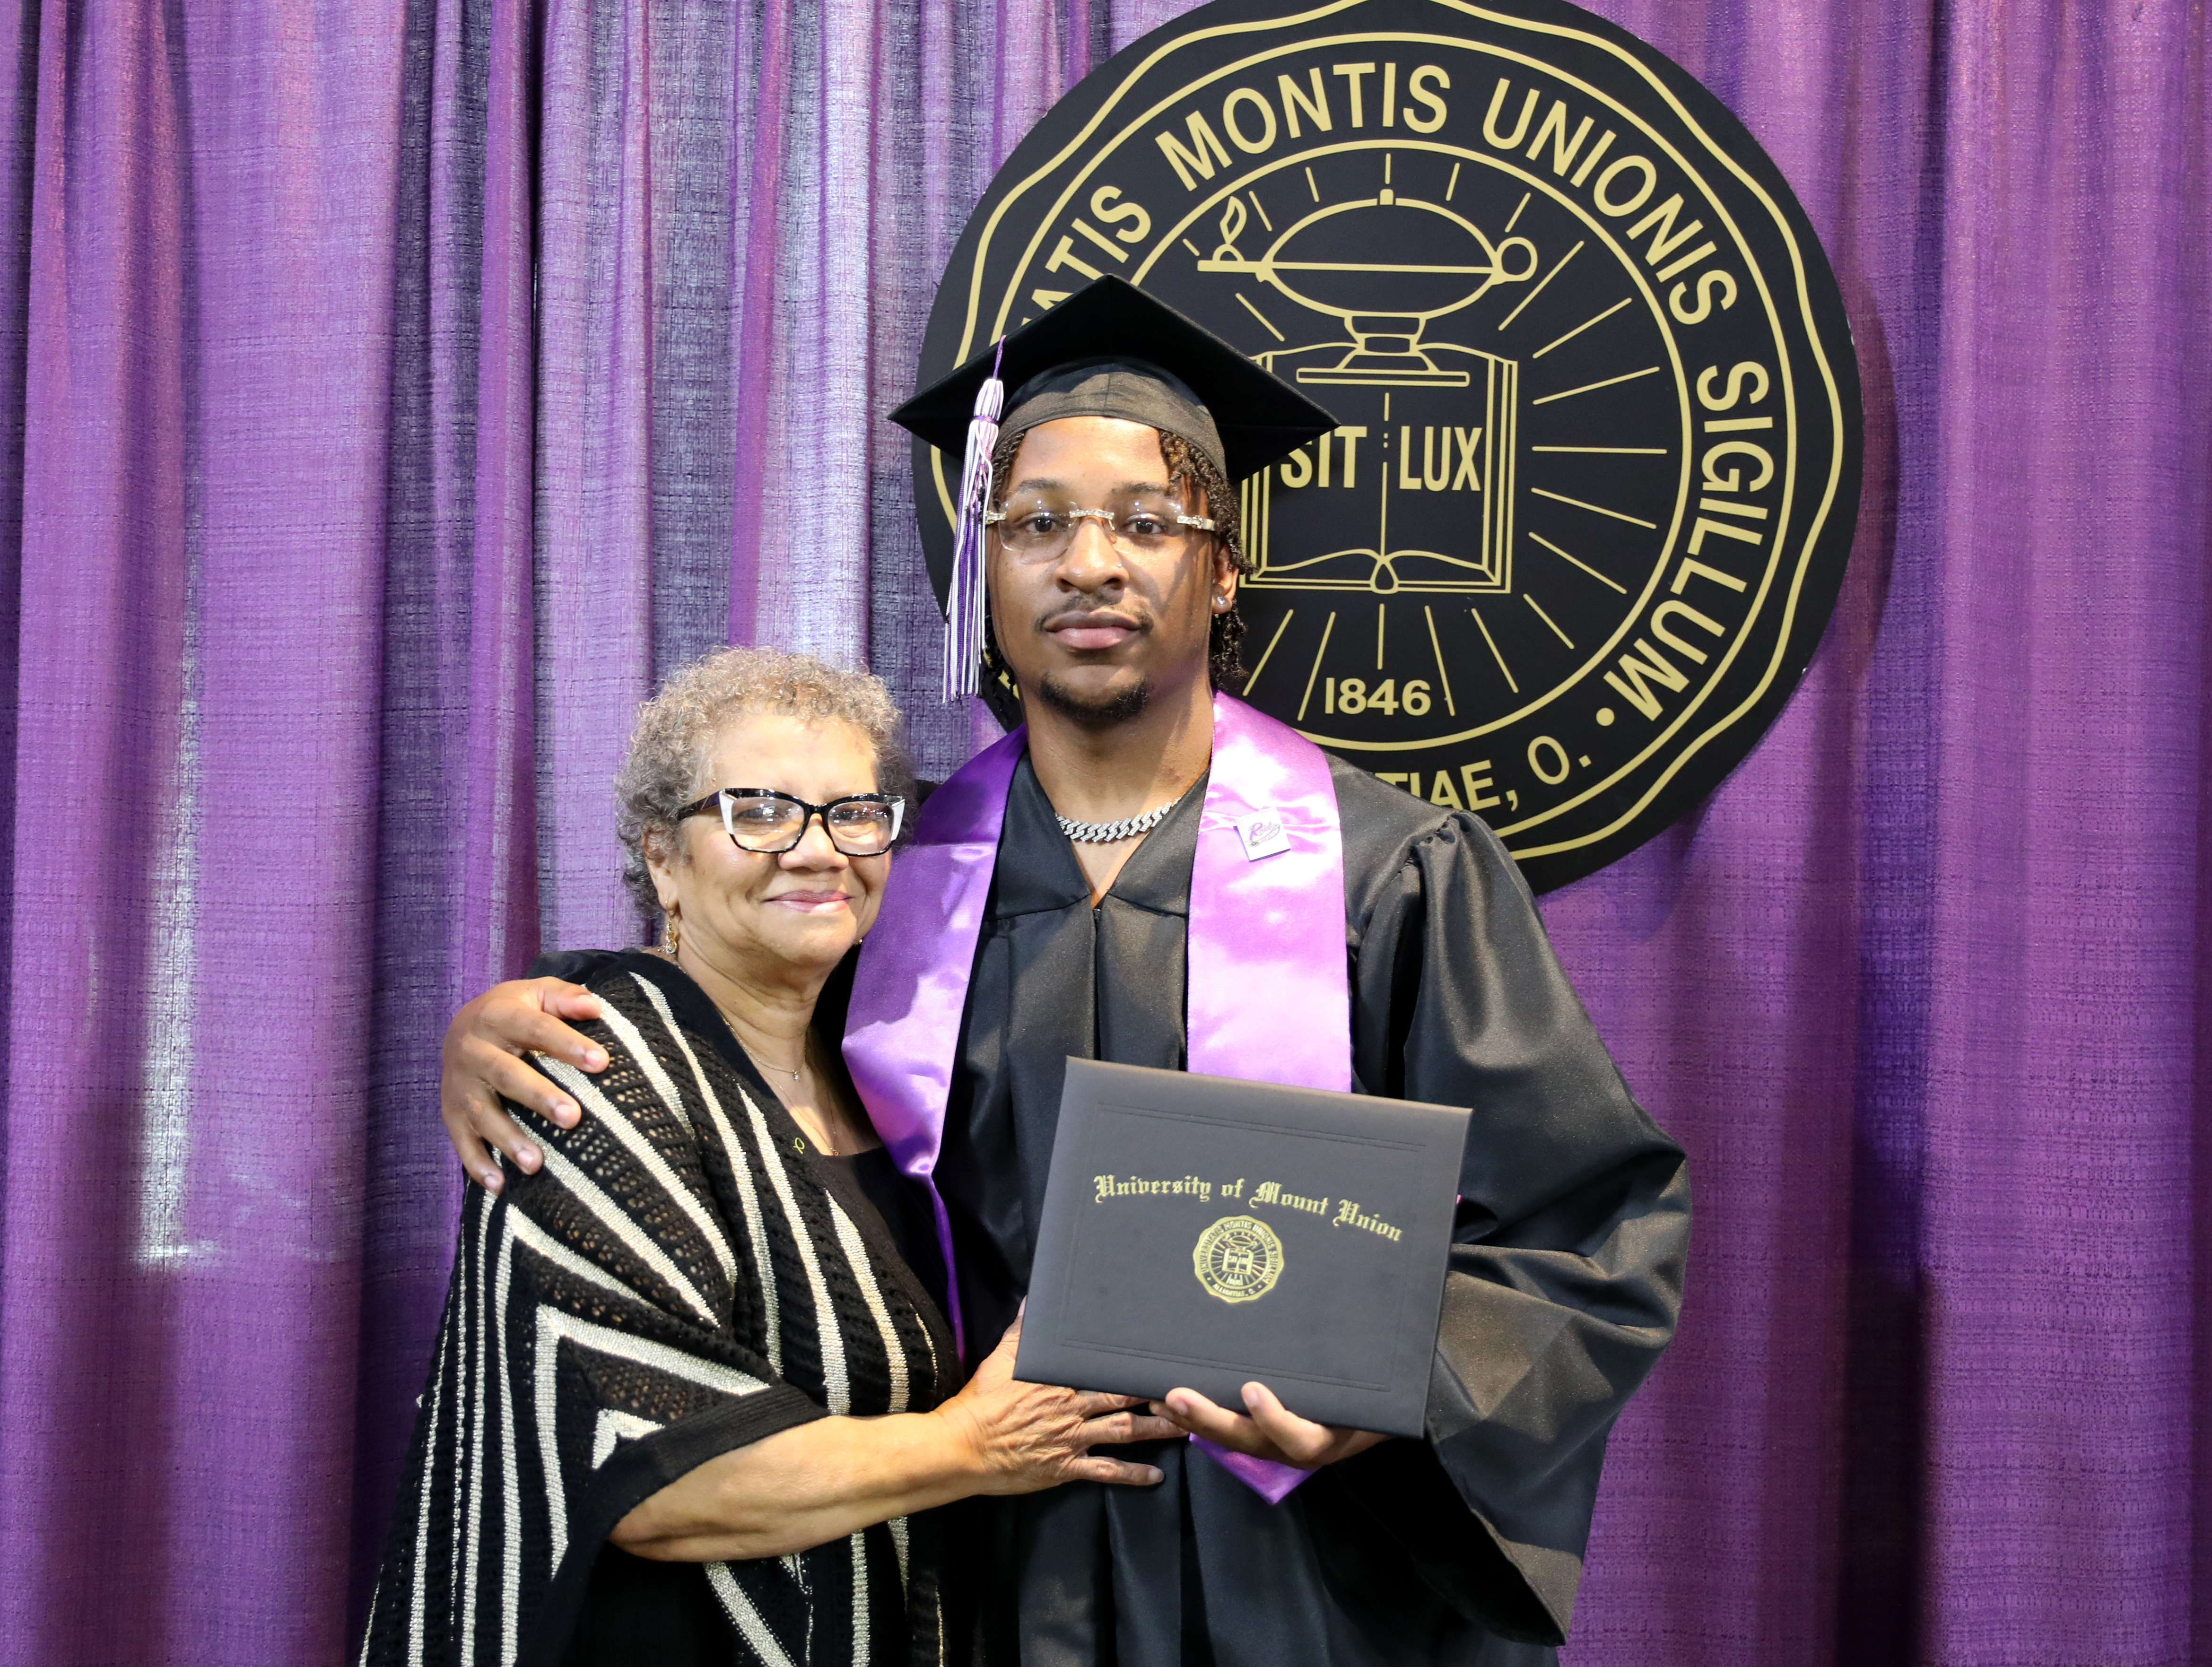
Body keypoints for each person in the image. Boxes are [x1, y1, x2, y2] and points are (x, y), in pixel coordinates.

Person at [437, 279, 1691, 1666]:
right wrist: (518, 1018)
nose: (1089, 562)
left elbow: (1595, 1224)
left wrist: (1389, 1385)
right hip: (981, 1561)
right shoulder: (893, 880)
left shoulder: (1395, 873)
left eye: (1149, 522)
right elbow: (737, 1060)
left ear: (1222, 571)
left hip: (1316, 1582)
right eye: (1035, 522)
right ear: (987, 565)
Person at [363, 649, 1180, 1667]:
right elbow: (652, 1480)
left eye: (853, 812)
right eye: (758, 810)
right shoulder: (591, 1072)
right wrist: (971, 1444)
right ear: (663, 855)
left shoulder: (883, 1066)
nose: (817, 849)